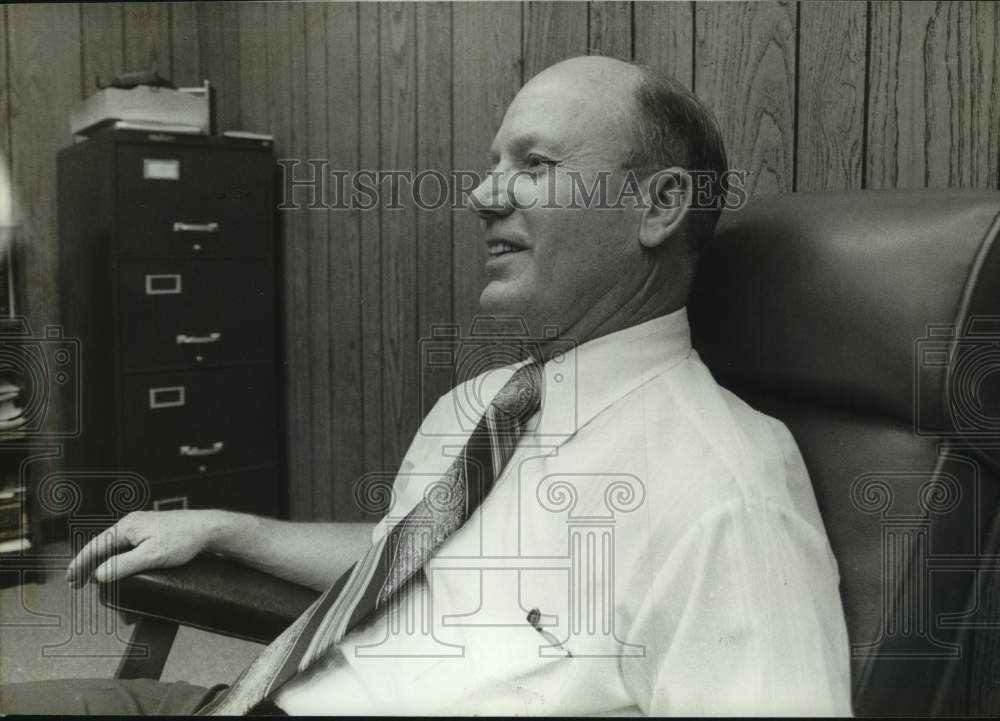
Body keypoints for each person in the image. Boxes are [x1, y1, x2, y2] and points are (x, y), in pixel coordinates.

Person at [0, 56, 852, 716]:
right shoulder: (484, 406)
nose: (483, 194)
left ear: (659, 205)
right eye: (492, 163)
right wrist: (228, 526)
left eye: (535, 162)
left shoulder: (725, 492)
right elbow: (411, 556)